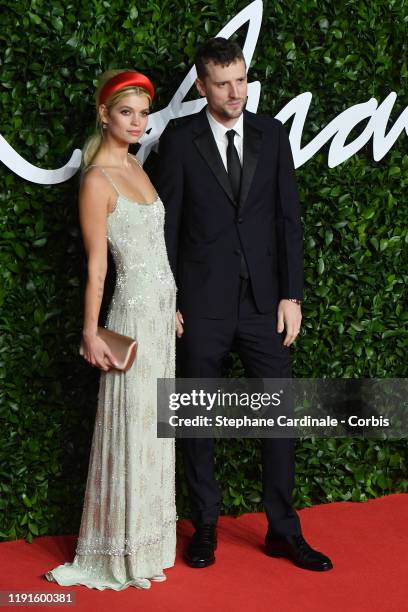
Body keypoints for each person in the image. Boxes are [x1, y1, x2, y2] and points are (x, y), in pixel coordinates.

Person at [155, 38, 333, 572]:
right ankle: (205, 525)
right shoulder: (180, 141)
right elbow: (165, 227)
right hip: (201, 306)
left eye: (242, 80)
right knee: (196, 420)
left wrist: (291, 295)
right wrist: (170, 300)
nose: (237, 92)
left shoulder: (271, 134)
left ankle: (283, 530)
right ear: (203, 86)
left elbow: (287, 220)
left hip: (263, 305)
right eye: (225, 83)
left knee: (278, 418)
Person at [45, 70, 181, 590]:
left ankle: (148, 542)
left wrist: (170, 304)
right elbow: (98, 268)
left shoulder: (135, 165)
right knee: (131, 429)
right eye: (127, 113)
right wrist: (90, 332)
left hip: (160, 316)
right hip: (129, 318)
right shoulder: (98, 179)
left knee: (154, 430)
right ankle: (118, 548)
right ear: (104, 115)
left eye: (144, 113)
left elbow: (156, 252)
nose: (138, 122)